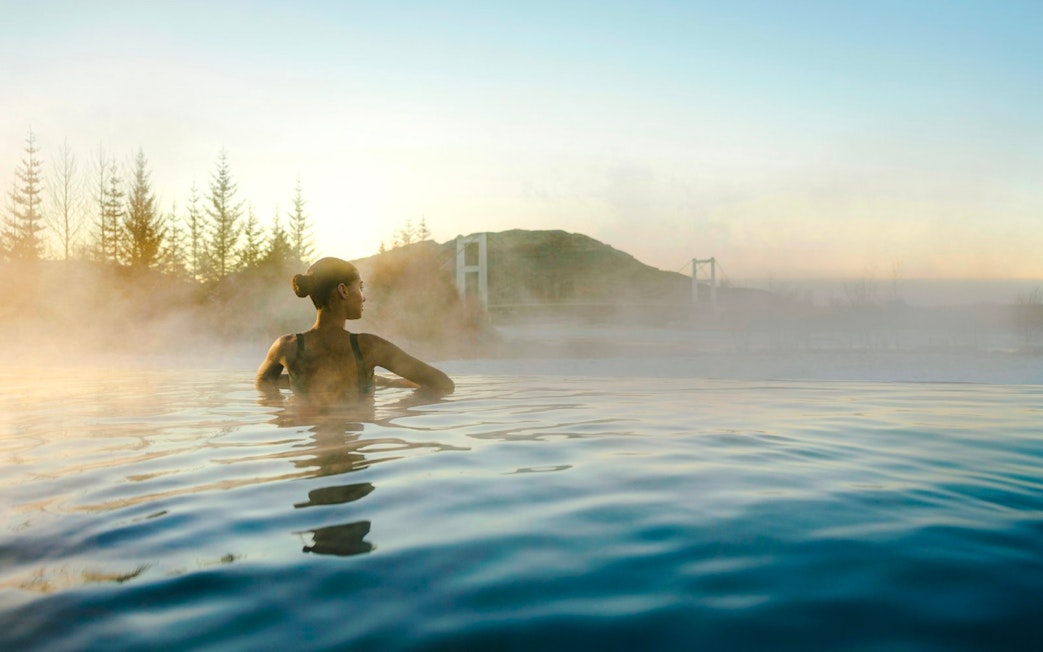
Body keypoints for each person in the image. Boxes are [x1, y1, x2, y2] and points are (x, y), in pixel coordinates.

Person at [256, 257, 454, 405]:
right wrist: (395, 412)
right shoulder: (368, 347)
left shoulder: (286, 347)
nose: (363, 297)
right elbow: (443, 384)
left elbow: (264, 385)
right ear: (343, 290)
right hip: (357, 435)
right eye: (360, 287)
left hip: (307, 443)